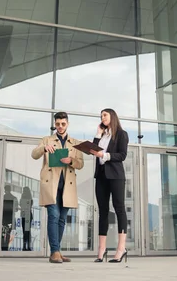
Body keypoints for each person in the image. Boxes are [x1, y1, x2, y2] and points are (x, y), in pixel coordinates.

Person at [31, 112, 84, 263]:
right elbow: (34, 155)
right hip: (50, 184)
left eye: (63, 124)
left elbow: (80, 164)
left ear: (67, 124)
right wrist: (44, 148)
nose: (60, 127)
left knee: (61, 219)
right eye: (58, 124)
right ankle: (54, 251)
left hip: (67, 186)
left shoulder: (75, 143)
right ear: (55, 124)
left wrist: (71, 160)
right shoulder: (47, 140)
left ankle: (57, 252)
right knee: (53, 216)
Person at [90, 108, 129, 263]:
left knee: (119, 209)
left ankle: (121, 248)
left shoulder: (121, 134)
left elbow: (122, 155)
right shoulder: (102, 136)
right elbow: (92, 150)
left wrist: (104, 155)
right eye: (101, 116)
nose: (102, 117)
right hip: (101, 176)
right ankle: (102, 249)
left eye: (104, 115)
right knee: (103, 211)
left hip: (116, 176)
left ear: (112, 116)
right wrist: (97, 134)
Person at [20, 187, 33, 251]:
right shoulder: (27, 197)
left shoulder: (26, 197)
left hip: (26, 215)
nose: (23, 191)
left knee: (26, 231)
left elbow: (22, 204)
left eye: (24, 190)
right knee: (26, 231)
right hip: (25, 215)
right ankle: (27, 245)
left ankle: (26, 245)